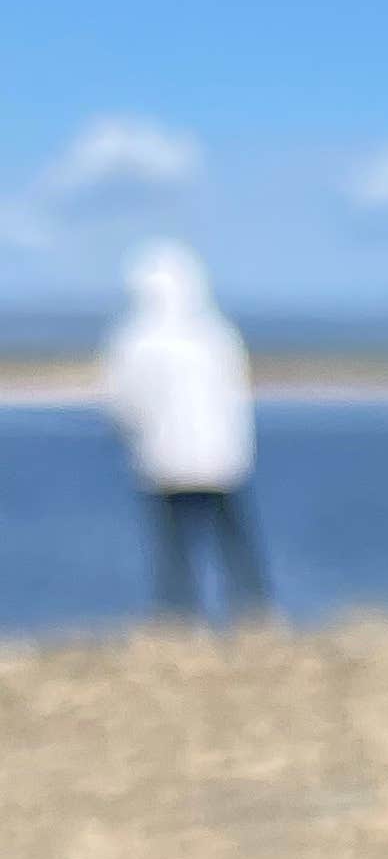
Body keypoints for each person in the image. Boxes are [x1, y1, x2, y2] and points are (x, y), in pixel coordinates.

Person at [101, 243, 269, 622]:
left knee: (174, 545)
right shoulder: (217, 334)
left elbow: (124, 402)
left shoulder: (135, 340)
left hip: (165, 463)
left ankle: (179, 613)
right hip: (222, 460)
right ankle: (252, 608)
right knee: (233, 540)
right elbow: (238, 396)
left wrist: (128, 431)